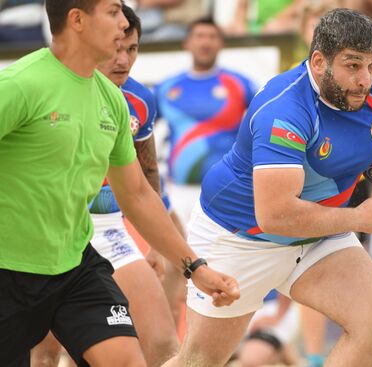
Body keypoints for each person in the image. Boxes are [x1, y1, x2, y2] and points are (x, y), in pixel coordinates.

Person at [163, 8, 372, 367]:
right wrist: (358, 218)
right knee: (199, 360)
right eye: (353, 65)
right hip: (241, 236)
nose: (365, 79)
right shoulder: (285, 109)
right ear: (319, 61)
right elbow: (276, 215)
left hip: (317, 233)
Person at [0, 0, 239, 365]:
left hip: (75, 264)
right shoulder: (20, 84)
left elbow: (139, 194)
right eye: (113, 12)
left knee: (132, 358)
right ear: (77, 20)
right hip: (10, 269)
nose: (123, 22)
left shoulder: (112, 100)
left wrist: (196, 268)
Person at [30, 5, 180, 366]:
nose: (123, 60)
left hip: (109, 230)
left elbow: (147, 176)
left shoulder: (140, 100)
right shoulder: (46, 85)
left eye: (132, 49)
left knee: (161, 342)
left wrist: (159, 247)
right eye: (116, 49)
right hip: (48, 232)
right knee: (45, 351)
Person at [154, 16, 257, 226]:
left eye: (212, 37)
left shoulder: (240, 84)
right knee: (178, 256)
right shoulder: (166, 87)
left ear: (221, 43)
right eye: (199, 36)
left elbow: (264, 123)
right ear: (187, 43)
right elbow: (138, 130)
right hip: (179, 191)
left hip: (227, 189)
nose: (205, 42)